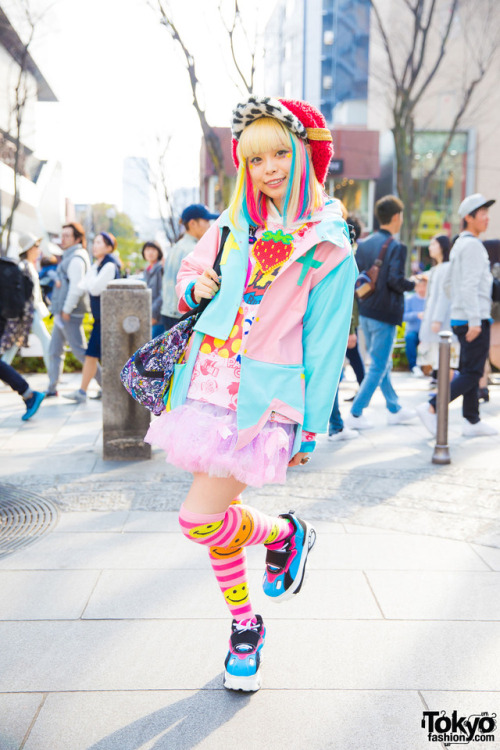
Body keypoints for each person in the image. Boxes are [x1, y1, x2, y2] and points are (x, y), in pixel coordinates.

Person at [144, 95, 356, 692]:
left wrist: (312, 426)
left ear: (304, 153)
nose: (269, 169)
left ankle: (284, 540)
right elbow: (186, 280)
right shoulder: (231, 223)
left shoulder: (327, 242)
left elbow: (326, 338)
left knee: (198, 518)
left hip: (264, 397)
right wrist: (197, 286)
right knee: (210, 518)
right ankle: (248, 618)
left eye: (280, 153)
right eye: (255, 158)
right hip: (206, 387)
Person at [417, 193, 498, 437]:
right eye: (482, 214)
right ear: (468, 218)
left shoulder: (460, 244)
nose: (487, 218)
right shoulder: (472, 245)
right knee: (473, 372)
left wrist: (460, 310)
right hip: (474, 319)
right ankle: (431, 406)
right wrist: (474, 319)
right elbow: (469, 285)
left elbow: (451, 285)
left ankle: (471, 421)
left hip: (462, 317)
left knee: (468, 370)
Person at [345, 195, 417, 430]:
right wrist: (414, 283)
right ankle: (356, 413)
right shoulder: (396, 246)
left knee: (381, 363)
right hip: (385, 314)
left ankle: (394, 408)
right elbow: (396, 281)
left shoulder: (364, 244)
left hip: (366, 311)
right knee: (377, 366)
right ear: (397, 217)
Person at [64, 232, 121, 403]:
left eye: (99, 243)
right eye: (94, 242)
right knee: (94, 355)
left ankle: (85, 392)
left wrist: (90, 282)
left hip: (107, 319)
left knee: (95, 355)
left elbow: (94, 288)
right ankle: (96, 390)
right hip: (101, 319)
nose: (94, 246)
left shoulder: (110, 266)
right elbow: (84, 284)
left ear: (109, 247)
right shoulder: (98, 265)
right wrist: (91, 281)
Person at [46, 222, 97, 397]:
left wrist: (66, 310)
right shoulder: (70, 256)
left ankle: (107, 386)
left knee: (81, 353)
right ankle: (52, 387)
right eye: (63, 235)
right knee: (55, 350)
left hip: (70, 313)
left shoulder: (76, 258)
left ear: (77, 238)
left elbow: (76, 288)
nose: (63, 239)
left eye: (68, 235)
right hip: (63, 313)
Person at [161, 204, 218, 331]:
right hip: (182, 313)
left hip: (167, 311)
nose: (209, 225)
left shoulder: (176, 246)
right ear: (193, 223)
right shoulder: (195, 250)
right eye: (206, 221)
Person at [1, 234, 52, 370]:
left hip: (26, 314)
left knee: (11, 348)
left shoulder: (26, 266)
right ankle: (53, 381)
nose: (38, 249)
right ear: (29, 249)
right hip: (28, 314)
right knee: (47, 342)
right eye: (36, 246)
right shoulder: (24, 267)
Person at [417, 234, 457, 382]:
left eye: (434, 244)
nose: (430, 247)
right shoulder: (436, 268)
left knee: (445, 359)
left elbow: (444, 295)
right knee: (437, 358)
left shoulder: (446, 268)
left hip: (441, 320)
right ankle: (442, 390)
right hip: (433, 317)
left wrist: (437, 319)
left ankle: (446, 390)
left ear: (442, 247)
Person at [403, 276, 427, 376]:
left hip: (427, 331)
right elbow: (404, 316)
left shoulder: (430, 299)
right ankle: (413, 366)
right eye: (419, 286)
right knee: (410, 338)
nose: (421, 289)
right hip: (414, 331)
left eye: (424, 286)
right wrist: (416, 314)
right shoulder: (409, 299)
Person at [141, 241, 164, 338]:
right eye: (147, 250)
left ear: (158, 252)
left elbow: (163, 293)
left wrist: (154, 314)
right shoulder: (147, 270)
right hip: (149, 315)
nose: (150, 252)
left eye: (153, 250)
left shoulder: (161, 269)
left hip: (158, 317)